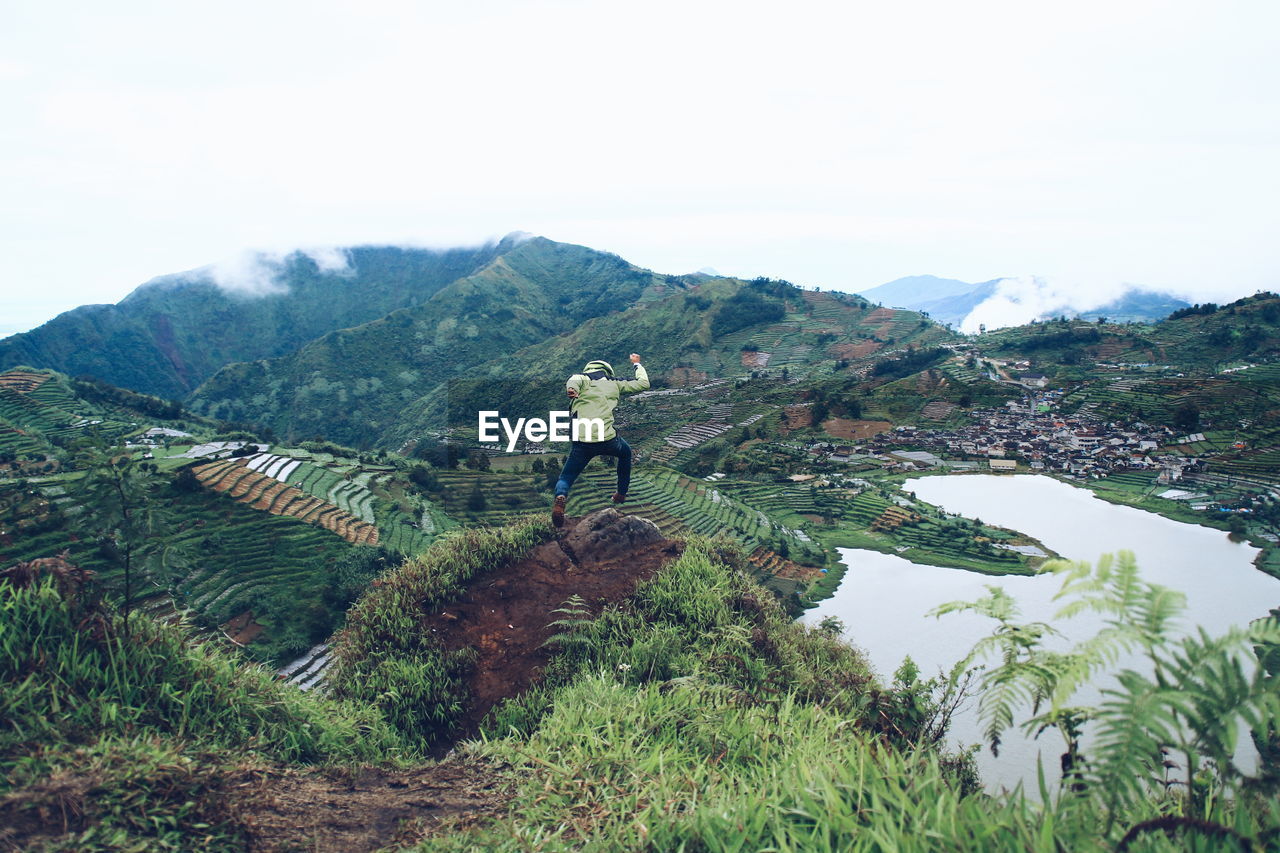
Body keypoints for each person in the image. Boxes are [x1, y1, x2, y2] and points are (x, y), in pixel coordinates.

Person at [551, 353, 648, 527]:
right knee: (625, 453)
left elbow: (573, 380)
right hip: (608, 439)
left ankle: (561, 496)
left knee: (566, 476)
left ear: (589, 369)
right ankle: (621, 493)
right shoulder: (615, 383)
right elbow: (643, 383)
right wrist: (636, 364)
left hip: (582, 441)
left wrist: (572, 390)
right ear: (606, 371)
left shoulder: (581, 378)